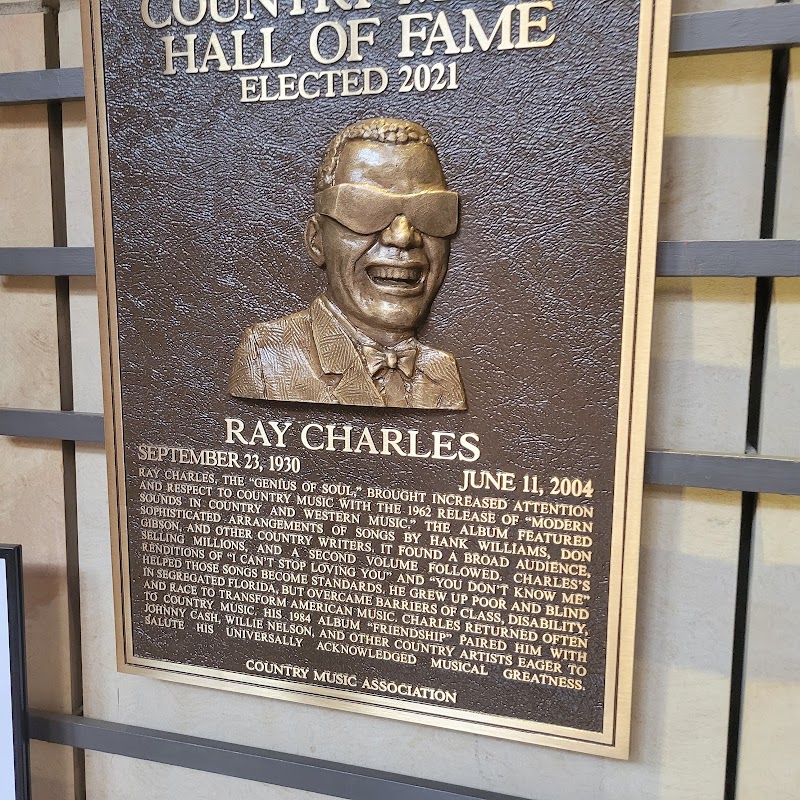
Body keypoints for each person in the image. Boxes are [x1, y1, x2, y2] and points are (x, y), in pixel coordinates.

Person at [228, 117, 467, 410]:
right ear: (316, 241)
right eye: (366, 209)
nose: (403, 237)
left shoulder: (442, 371)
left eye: (430, 212)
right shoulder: (267, 357)